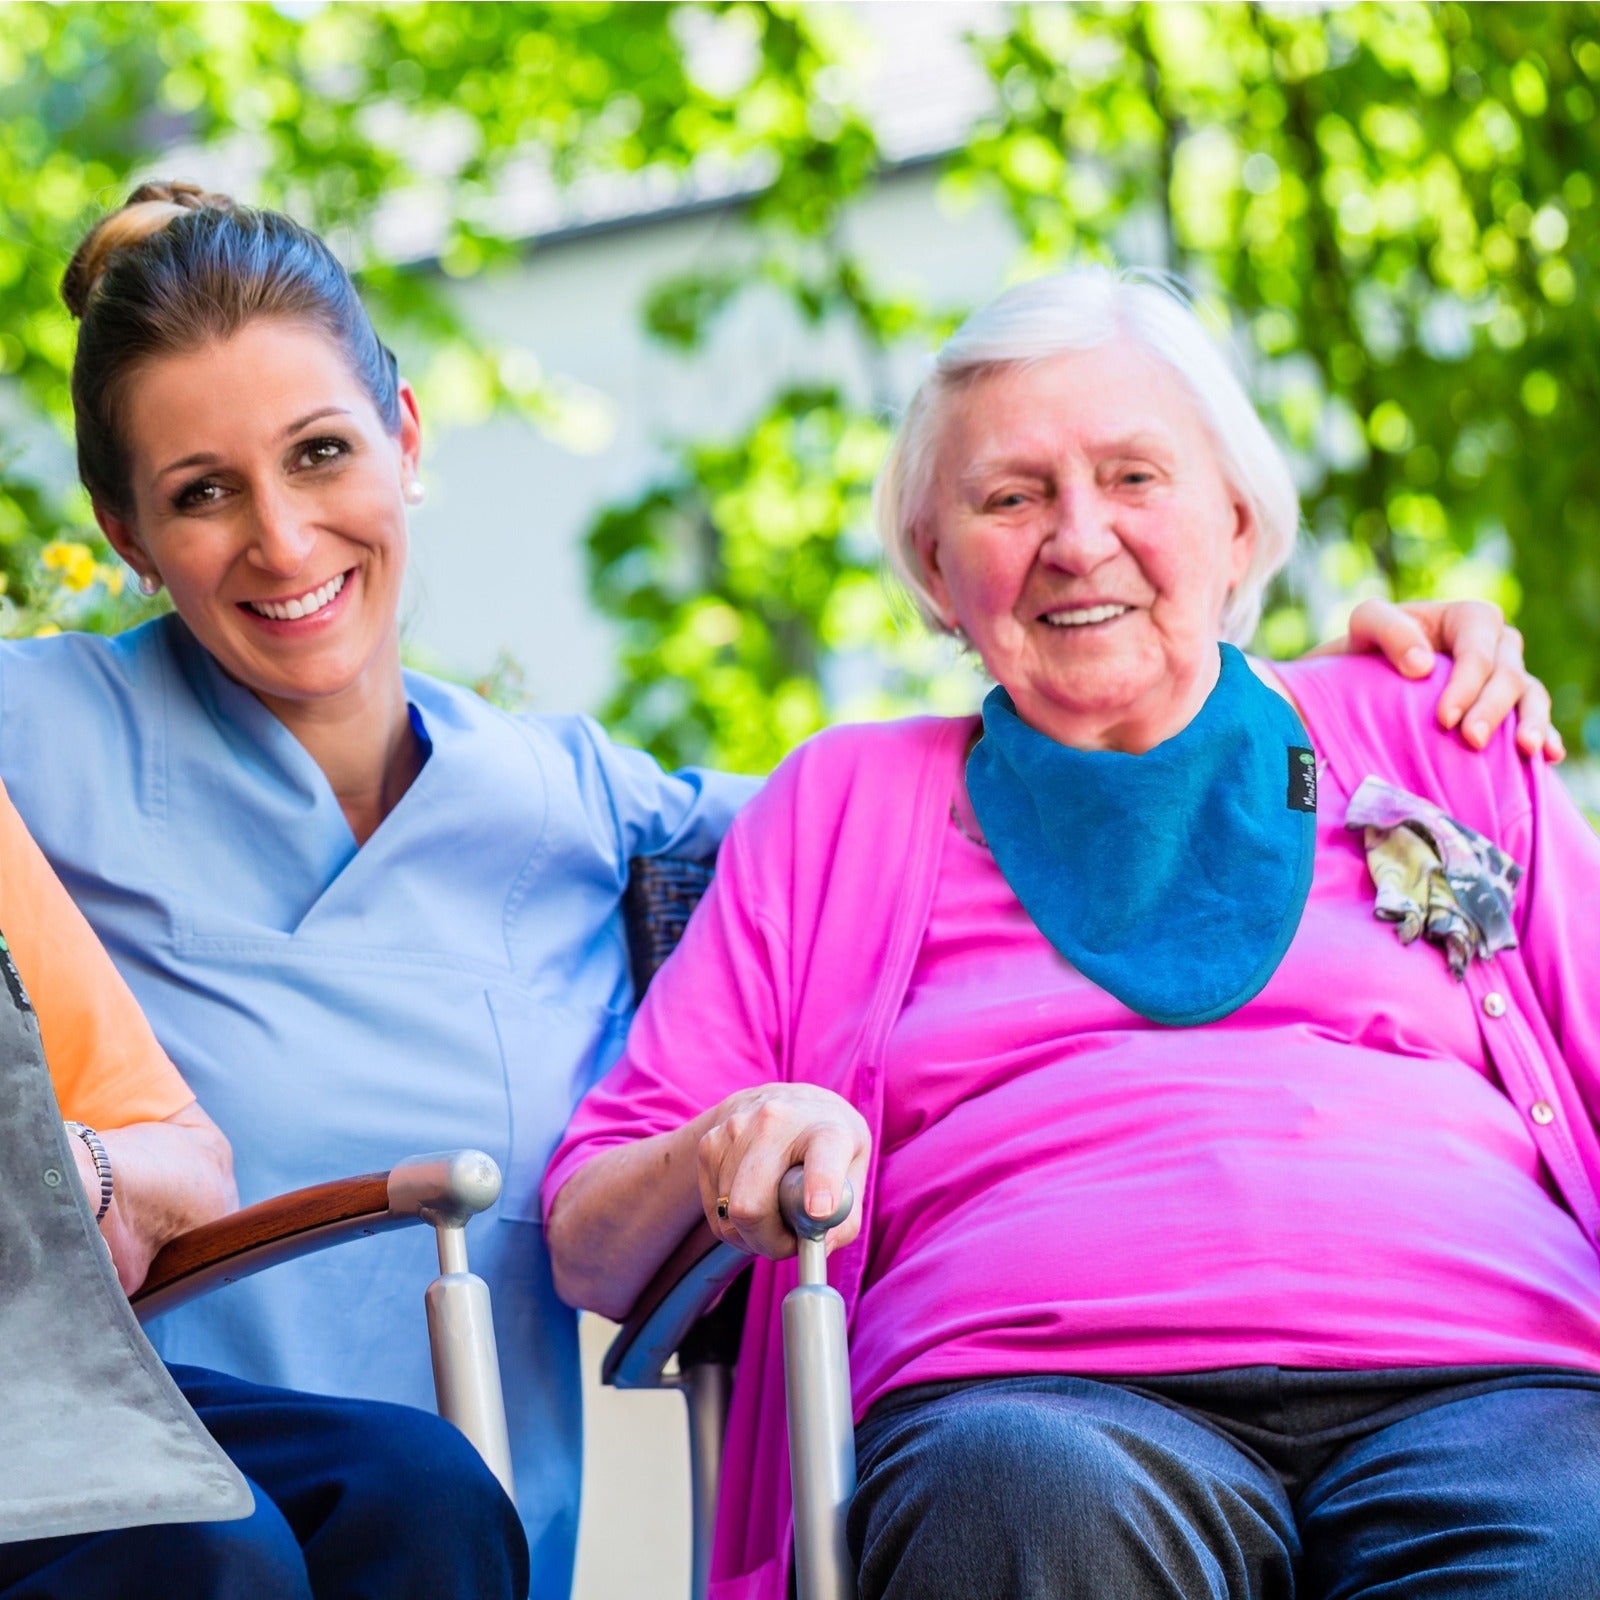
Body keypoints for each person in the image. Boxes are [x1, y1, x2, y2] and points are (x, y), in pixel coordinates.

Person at [6, 184, 1546, 1595]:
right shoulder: (44, 733)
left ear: (405, 437)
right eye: (202, 492)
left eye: (321, 451)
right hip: (143, 1478)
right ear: (128, 536)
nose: (282, 538)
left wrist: (1367, 697)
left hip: (437, 1521)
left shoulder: (582, 799)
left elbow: (1029, 786)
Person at [544, 267, 1600, 1600]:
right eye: (1011, 497)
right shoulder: (842, 805)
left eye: (1133, 478)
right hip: (1031, 1403)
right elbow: (590, 1238)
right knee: (1028, 1511)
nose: (1078, 538)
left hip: (1504, 1383)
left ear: (1235, 519)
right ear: (935, 569)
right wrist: (723, 1145)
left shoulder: (1433, 731)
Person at [0, 777, 528, 1599]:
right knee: (204, 1545)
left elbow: (192, 1171)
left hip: (36, 1380)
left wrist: (69, 1166)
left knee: (420, 1490)